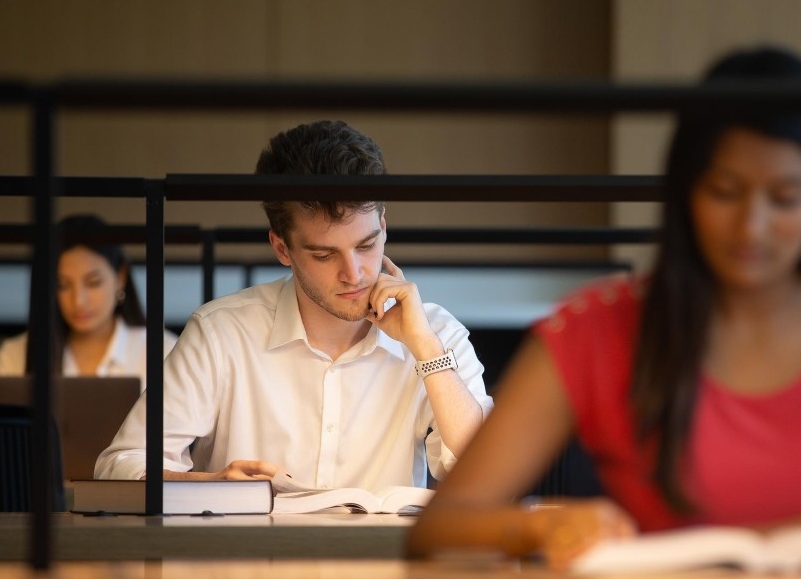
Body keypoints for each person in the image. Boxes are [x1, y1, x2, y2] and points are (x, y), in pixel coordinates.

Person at [407, 44, 801, 567]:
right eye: (726, 191)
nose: (751, 226)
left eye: (785, 199)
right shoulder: (599, 329)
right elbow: (438, 530)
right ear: (686, 193)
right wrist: (540, 525)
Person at [95, 119, 493, 487]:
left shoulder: (436, 334)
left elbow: (488, 475)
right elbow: (120, 464)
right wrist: (212, 486)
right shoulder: (221, 333)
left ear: (383, 227)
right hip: (245, 562)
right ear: (282, 248)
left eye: (367, 245)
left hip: (381, 563)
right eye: (324, 255)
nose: (354, 273)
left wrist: (426, 351)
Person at [0, 214, 178, 390]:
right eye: (62, 285)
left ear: (120, 277)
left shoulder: (163, 353)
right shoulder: (16, 356)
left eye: (93, 283)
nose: (79, 301)